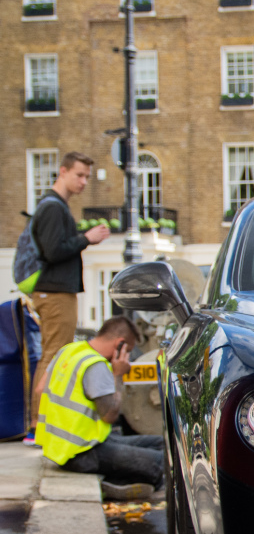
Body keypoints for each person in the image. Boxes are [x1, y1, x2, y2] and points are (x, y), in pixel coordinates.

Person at [33, 316, 163, 500]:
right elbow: (109, 415)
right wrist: (117, 374)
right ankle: (118, 481)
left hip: (61, 449)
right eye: (129, 351)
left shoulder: (69, 351)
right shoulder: (96, 365)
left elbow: (40, 389)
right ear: (120, 345)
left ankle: (116, 479)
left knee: (160, 443)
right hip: (83, 453)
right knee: (159, 463)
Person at [28, 152, 111, 387]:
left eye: (87, 176)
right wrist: (86, 238)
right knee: (54, 356)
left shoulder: (56, 206)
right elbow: (53, 251)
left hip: (56, 291)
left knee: (54, 354)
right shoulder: (53, 208)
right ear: (63, 172)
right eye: (79, 175)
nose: (84, 181)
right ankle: (38, 420)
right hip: (54, 293)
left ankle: (40, 418)